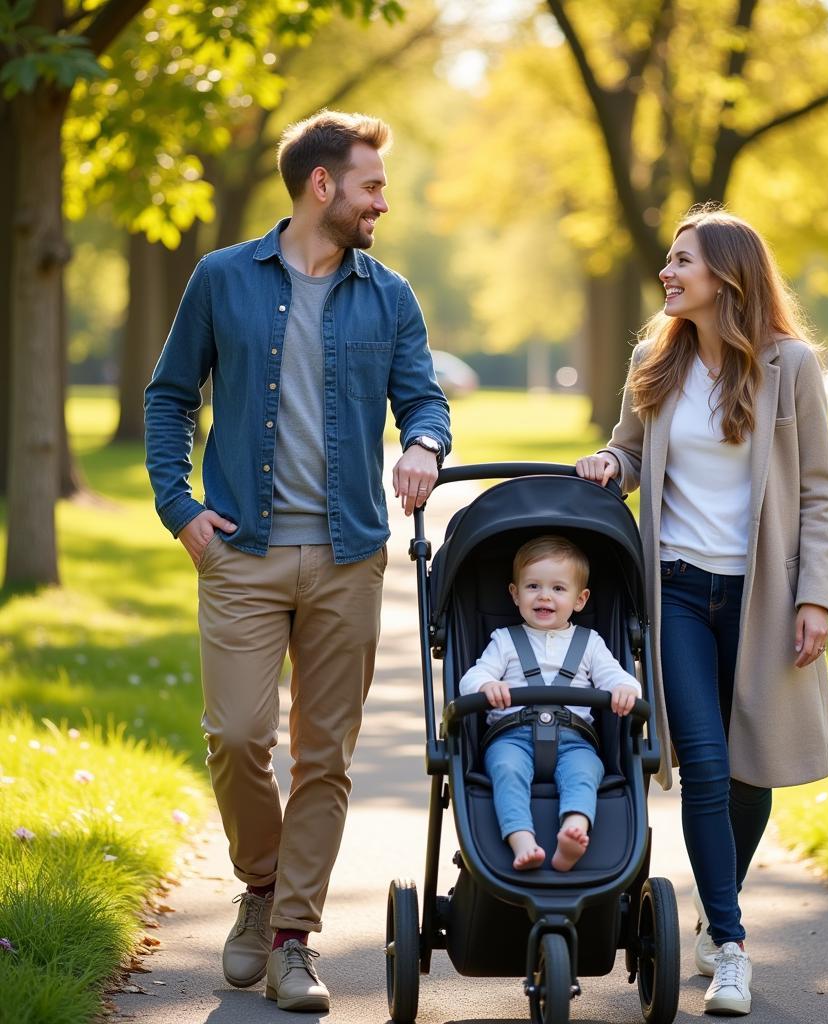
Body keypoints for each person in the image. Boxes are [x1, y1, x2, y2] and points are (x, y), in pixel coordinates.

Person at [144, 110, 451, 1013]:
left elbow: (423, 396)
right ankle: (260, 881)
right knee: (237, 736)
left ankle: (289, 941)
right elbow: (169, 399)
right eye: (371, 186)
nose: (381, 203)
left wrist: (426, 445)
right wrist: (181, 510)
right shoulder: (221, 279)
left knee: (325, 756)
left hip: (350, 554)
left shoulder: (389, 294)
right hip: (240, 551)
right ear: (323, 186)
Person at [577, 206, 828, 1017]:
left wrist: (815, 596)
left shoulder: (788, 365)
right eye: (667, 258)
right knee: (706, 762)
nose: (667, 271)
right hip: (679, 591)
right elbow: (628, 449)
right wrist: (608, 462)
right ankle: (730, 946)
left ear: (725, 274)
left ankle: (712, 906)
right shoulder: (654, 361)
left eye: (681, 260)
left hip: (761, 596)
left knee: (752, 768)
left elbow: (820, 491)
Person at [459, 536, 642, 871]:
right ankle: (521, 840)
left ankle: (573, 831)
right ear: (515, 594)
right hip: (511, 736)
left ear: (580, 599)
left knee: (586, 772)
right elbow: (472, 677)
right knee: (506, 769)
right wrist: (487, 684)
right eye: (533, 586)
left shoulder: (590, 643)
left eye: (558, 589)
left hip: (575, 741)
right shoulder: (504, 641)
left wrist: (625, 689)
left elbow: (617, 677)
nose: (544, 596)